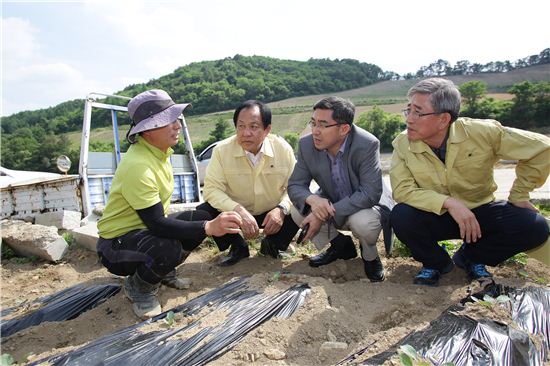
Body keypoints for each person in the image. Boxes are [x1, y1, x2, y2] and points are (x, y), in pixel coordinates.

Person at [390, 78, 550, 286]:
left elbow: (542, 147)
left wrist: (520, 194)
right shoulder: (403, 143)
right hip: (436, 213)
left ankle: (472, 257)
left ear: (443, 119)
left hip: (480, 212)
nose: (409, 119)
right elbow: (403, 190)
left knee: (534, 226)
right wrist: (449, 202)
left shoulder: (483, 133)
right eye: (408, 110)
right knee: (401, 215)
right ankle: (436, 263)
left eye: (418, 112)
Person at [96, 89, 242, 319]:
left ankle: (161, 271)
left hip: (141, 231)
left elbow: (158, 219)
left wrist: (205, 224)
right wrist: (209, 228)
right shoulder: (139, 166)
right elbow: (156, 224)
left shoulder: (160, 154)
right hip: (116, 245)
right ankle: (139, 287)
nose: (177, 126)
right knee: (169, 246)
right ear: (148, 129)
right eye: (169, 121)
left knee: (201, 215)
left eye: (176, 120)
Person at [287, 96, 394, 282]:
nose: (315, 131)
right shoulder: (306, 145)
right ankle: (340, 246)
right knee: (297, 209)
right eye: (313, 123)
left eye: (322, 125)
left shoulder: (367, 144)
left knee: (363, 222)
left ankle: (370, 256)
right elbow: (295, 185)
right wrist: (314, 201)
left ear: (344, 129)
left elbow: (370, 193)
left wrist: (323, 213)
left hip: (365, 206)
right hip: (332, 200)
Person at [198, 100, 300, 266]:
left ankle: (274, 245)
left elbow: (296, 186)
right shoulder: (222, 151)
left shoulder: (283, 149)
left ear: (267, 129)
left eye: (253, 127)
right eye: (241, 126)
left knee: (302, 205)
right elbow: (211, 190)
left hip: (271, 214)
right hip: (237, 215)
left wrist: (282, 209)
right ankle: (237, 246)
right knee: (204, 210)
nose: (246, 133)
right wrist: (238, 210)